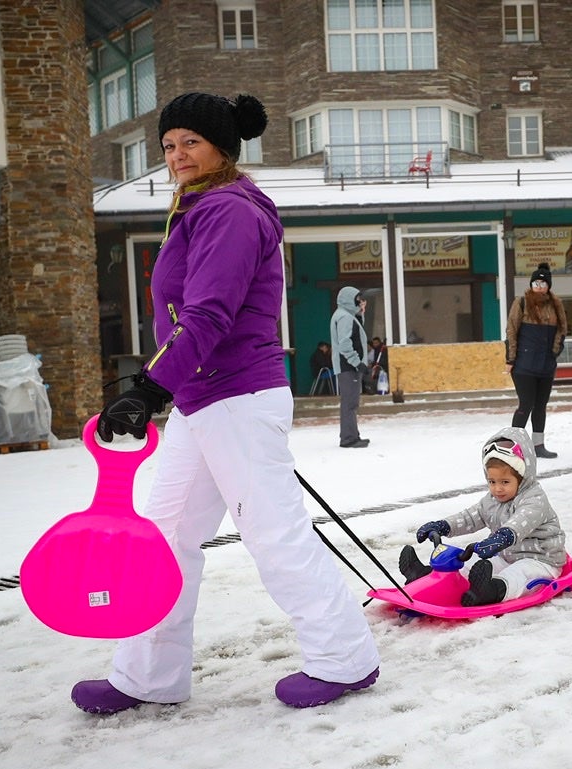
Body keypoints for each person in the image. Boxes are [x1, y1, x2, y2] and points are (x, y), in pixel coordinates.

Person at [74, 92, 380, 715]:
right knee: (164, 540)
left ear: (222, 148)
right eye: (168, 144)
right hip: (201, 398)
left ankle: (344, 660)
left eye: (191, 142)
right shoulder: (198, 208)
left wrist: (149, 389)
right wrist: (165, 388)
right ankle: (147, 675)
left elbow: (209, 312)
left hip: (236, 395)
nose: (177, 155)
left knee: (275, 535)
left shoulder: (229, 212)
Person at [398, 427, 566, 606]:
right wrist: (443, 525)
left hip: (540, 559)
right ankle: (428, 577)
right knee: (471, 565)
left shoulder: (535, 499)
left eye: (505, 482)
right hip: (505, 555)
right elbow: (471, 517)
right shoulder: (492, 500)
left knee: (519, 574)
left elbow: (520, 523)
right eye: (492, 482)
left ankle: (492, 591)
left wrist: (502, 538)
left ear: (523, 478)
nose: (497, 488)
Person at [505, 263, 567, 458]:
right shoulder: (521, 303)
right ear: (531, 284)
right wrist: (511, 358)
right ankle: (514, 445)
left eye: (543, 283)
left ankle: (538, 445)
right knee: (526, 403)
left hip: (546, 365)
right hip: (524, 365)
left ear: (549, 286)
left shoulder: (556, 305)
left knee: (541, 405)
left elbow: (562, 330)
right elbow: (511, 330)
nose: (539, 286)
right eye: (536, 282)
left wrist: (555, 351)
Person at [332, 285, 371, 448]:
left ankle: (351, 434)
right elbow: (345, 344)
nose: (360, 302)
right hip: (348, 366)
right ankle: (348, 439)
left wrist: (361, 313)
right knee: (350, 403)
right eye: (358, 299)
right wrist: (358, 363)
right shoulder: (344, 317)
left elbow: (353, 334)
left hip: (348, 366)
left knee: (350, 402)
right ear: (349, 299)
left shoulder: (346, 315)